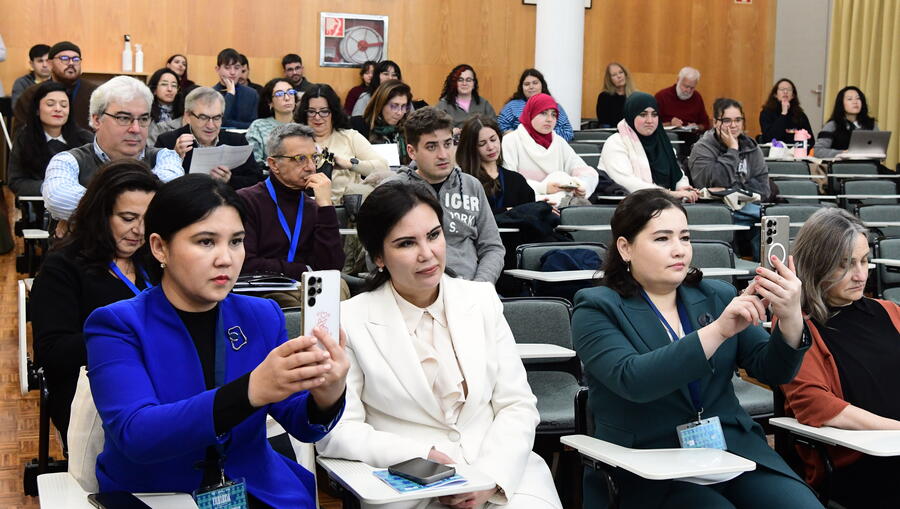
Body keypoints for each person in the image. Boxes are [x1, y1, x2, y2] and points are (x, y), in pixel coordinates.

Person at [84, 174, 348, 508]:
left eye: (236, 241)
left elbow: (302, 425)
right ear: (160, 247)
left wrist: (327, 394)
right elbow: (136, 434)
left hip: (256, 489)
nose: (226, 258)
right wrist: (250, 390)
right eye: (206, 242)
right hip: (156, 494)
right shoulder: (117, 325)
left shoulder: (262, 315)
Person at [316, 182, 562, 509]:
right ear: (378, 257)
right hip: (407, 486)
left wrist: (490, 478)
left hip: (502, 475)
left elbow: (517, 404)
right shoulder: (349, 320)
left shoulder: (481, 300)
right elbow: (337, 431)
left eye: (434, 235)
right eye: (406, 243)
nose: (427, 253)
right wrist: (422, 457)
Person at [572, 188, 821, 509]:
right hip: (648, 463)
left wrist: (790, 317)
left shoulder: (716, 295)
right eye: (662, 239)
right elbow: (633, 379)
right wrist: (717, 331)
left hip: (730, 449)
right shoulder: (595, 307)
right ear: (625, 248)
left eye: (685, 238)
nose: (679, 250)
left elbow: (773, 371)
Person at [30, 161, 160, 445]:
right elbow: (52, 353)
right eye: (128, 218)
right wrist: (128, 335)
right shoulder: (62, 267)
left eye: (147, 219)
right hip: (93, 392)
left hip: (158, 377)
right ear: (100, 215)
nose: (139, 230)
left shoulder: (153, 259)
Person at [781, 208, 900, 509]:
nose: (860, 275)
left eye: (864, 261)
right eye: (844, 266)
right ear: (817, 265)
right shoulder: (798, 326)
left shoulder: (889, 311)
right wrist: (896, 429)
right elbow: (814, 404)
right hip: (862, 460)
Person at [386, 107, 505, 283]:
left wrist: (480, 286)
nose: (443, 155)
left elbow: (493, 247)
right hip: (414, 289)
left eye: (448, 144)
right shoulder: (392, 190)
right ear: (412, 152)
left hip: (469, 287)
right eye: (431, 147)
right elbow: (376, 254)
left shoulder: (472, 186)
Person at [42, 76, 184, 222]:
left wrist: (84, 214)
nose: (136, 129)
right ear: (97, 120)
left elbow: (171, 198)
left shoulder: (165, 157)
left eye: (143, 119)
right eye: (123, 118)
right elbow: (58, 199)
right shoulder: (68, 161)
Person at [237, 123, 345, 301]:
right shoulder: (246, 201)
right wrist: (304, 270)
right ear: (274, 164)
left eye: (314, 157)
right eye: (300, 158)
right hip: (259, 290)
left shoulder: (314, 207)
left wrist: (326, 206)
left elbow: (331, 268)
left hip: (304, 287)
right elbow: (246, 263)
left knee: (337, 286)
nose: (311, 167)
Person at [295, 84, 388, 202]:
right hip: (305, 205)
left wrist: (349, 164)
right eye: (311, 111)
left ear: (333, 112)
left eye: (324, 111)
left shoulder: (350, 137)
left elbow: (384, 168)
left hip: (345, 208)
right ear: (304, 113)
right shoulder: (295, 140)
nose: (317, 117)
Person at [155, 87, 261, 190]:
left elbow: (256, 179)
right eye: (203, 117)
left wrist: (229, 180)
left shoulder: (237, 142)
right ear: (187, 116)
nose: (211, 125)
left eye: (217, 118)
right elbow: (157, 185)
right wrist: (175, 159)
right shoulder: (168, 142)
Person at [501, 93, 598, 204]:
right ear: (530, 113)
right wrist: (543, 188)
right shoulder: (511, 141)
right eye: (543, 113)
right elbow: (509, 182)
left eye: (553, 115)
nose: (549, 119)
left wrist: (581, 185)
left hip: (560, 202)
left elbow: (586, 172)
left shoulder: (559, 142)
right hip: (527, 202)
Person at [600, 92, 698, 202]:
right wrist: (669, 194)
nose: (650, 121)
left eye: (654, 115)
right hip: (628, 206)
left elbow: (678, 174)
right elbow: (626, 182)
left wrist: (683, 189)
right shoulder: (616, 142)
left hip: (667, 205)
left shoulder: (662, 142)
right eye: (643, 115)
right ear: (631, 115)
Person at [8, 81, 93, 197]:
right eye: (50, 104)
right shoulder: (24, 138)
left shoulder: (85, 139)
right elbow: (16, 182)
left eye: (64, 105)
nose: (58, 109)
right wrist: (50, 187)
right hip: (38, 203)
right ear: (37, 110)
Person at [14, 41, 98, 134]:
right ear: (50, 64)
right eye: (64, 59)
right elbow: (21, 133)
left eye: (76, 59)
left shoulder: (96, 93)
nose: (71, 63)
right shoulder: (33, 93)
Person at [458, 114, 534, 214]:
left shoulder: (516, 180)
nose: (490, 147)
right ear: (471, 148)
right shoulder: (462, 182)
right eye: (482, 144)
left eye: (493, 139)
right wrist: (506, 211)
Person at [497, 68, 574, 141]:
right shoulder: (512, 106)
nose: (531, 87)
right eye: (527, 84)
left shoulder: (554, 106)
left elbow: (568, 132)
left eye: (535, 83)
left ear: (542, 85)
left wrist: (540, 137)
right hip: (520, 145)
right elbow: (500, 127)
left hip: (549, 146)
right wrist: (521, 137)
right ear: (521, 87)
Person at [351, 79, 412, 164]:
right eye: (394, 106)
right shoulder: (358, 126)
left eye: (404, 106)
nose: (399, 112)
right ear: (381, 104)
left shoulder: (408, 130)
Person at [813, 86, 879, 158]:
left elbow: (879, 150)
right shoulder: (832, 125)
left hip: (869, 163)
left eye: (858, 98)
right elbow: (818, 151)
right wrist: (843, 153)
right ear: (841, 104)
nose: (855, 102)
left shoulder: (871, 124)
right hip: (842, 164)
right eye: (850, 99)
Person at [246, 78, 296, 163]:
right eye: (279, 94)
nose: (287, 98)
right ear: (270, 102)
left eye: (291, 92)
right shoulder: (259, 126)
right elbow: (254, 161)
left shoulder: (304, 124)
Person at [759, 78, 815, 146]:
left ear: (793, 95)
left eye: (789, 89)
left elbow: (811, 141)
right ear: (775, 94)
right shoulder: (766, 113)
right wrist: (784, 113)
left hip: (796, 151)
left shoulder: (800, 115)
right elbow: (770, 138)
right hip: (773, 151)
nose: (785, 92)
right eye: (782, 89)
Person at [212, 48, 258, 129]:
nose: (233, 72)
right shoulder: (210, 94)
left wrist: (228, 123)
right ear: (217, 69)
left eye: (237, 68)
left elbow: (255, 125)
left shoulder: (252, 94)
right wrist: (230, 94)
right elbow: (219, 122)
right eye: (227, 68)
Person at [146, 68, 184, 146]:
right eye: (164, 84)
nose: (170, 89)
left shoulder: (183, 113)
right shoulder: (146, 112)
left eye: (174, 85)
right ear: (154, 89)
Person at [595, 62, 636, 128]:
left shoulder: (635, 96)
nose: (619, 76)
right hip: (611, 132)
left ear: (625, 74)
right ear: (609, 80)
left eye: (621, 72)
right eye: (614, 75)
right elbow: (604, 122)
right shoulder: (604, 96)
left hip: (631, 132)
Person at [11, 43, 51, 108]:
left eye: (48, 61)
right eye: (40, 61)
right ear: (32, 64)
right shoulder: (22, 83)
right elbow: (17, 108)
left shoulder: (58, 81)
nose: (45, 65)